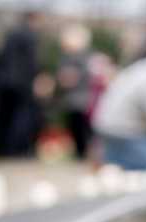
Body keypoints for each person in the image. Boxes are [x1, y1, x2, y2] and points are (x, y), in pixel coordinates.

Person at [0, 12, 44, 156]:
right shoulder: (30, 36)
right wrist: (37, 78)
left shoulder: (11, 34)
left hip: (7, 83)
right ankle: (21, 149)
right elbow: (32, 61)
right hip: (24, 83)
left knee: (10, 116)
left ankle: (8, 148)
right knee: (24, 116)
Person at [57, 25, 93, 160]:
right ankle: (80, 152)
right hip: (72, 98)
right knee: (74, 126)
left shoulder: (83, 57)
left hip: (82, 98)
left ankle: (84, 152)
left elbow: (77, 76)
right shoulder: (67, 57)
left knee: (82, 127)